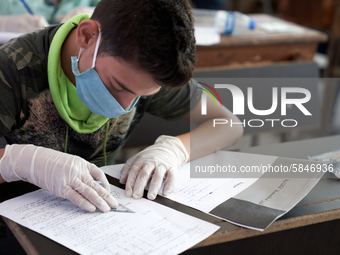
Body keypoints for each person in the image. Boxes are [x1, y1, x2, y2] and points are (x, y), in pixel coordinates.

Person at [0, 0, 243, 213]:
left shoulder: (147, 71)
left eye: (141, 95)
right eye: (117, 86)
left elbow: (229, 124)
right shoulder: (10, 70)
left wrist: (174, 150)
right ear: (87, 36)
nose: (125, 107)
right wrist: (20, 163)